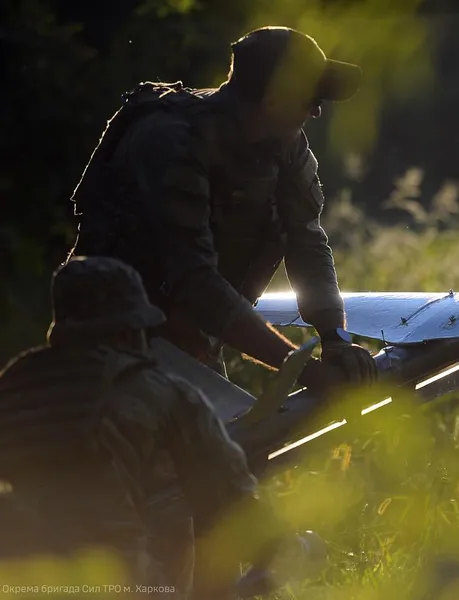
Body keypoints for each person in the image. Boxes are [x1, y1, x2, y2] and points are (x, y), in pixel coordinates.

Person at [66, 25, 378, 387]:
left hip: (190, 340)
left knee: (224, 442)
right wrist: (304, 372)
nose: (318, 112)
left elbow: (305, 239)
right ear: (274, 100)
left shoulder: (285, 142)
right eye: (311, 99)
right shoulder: (171, 140)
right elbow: (193, 279)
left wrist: (335, 340)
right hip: (111, 342)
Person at [0, 257, 314, 598]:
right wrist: (285, 550)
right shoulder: (156, 389)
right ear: (129, 330)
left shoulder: (15, 383)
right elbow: (229, 500)